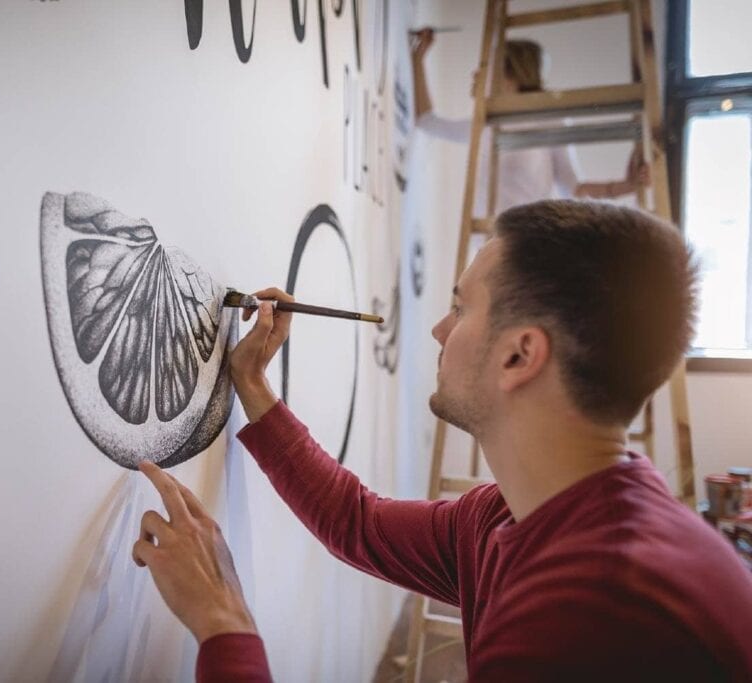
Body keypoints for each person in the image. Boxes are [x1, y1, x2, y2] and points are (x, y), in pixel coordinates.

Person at [131, 199, 752, 681]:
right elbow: (357, 522)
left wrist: (223, 623)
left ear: (519, 354)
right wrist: (251, 382)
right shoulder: (520, 514)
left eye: (460, 308)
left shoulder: (592, 616)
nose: (437, 329)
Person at [410, 28, 647, 212]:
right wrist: (418, 59)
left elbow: (574, 189)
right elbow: (426, 121)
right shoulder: (485, 126)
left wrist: (628, 186)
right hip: (486, 247)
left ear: (511, 79)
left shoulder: (550, 122)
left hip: (527, 246)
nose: (476, 74)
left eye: (486, 68)